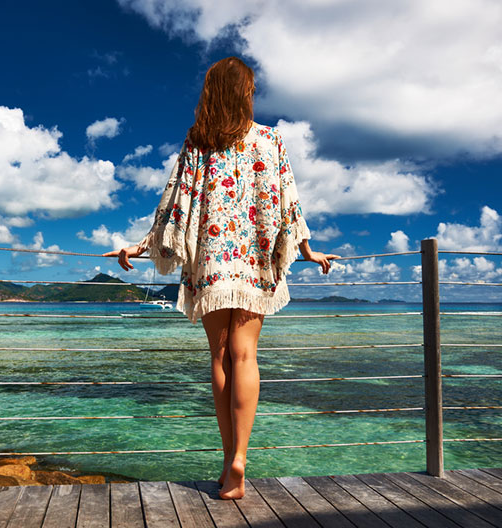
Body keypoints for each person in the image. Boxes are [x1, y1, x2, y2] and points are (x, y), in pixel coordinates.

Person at [105, 56, 336, 500]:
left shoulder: (199, 142)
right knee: (245, 355)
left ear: (211, 93)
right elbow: (290, 205)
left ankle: (227, 457)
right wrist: (308, 251)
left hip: (212, 262)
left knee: (220, 356)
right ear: (245, 92)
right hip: (253, 263)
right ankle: (240, 460)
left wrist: (139, 246)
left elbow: (174, 206)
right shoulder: (271, 140)